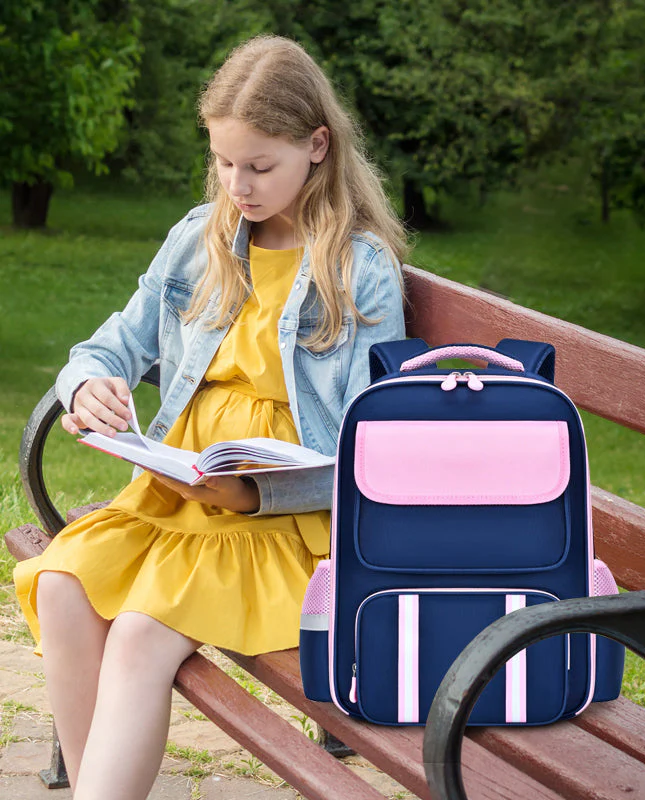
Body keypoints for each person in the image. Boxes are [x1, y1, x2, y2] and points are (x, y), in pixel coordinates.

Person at [13, 35, 407, 800]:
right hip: (177, 497)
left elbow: (370, 448)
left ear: (317, 146)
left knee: (136, 635)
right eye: (225, 163)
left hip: (285, 525)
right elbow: (109, 345)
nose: (240, 185)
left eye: (261, 166)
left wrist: (257, 493)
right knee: (60, 584)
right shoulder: (200, 238)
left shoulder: (360, 269)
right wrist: (86, 384)